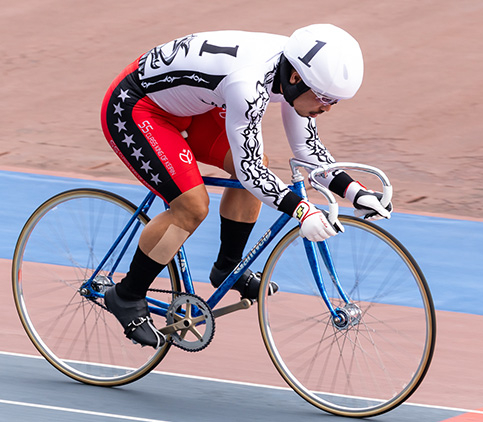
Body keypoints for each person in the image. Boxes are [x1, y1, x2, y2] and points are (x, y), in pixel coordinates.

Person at [100, 24, 392, 348]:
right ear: (296, 79)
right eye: (325, 98)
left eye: (335, 101)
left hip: (192, 106)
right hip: (139, 108)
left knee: (259, 164)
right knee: (192, 206)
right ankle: (127, 295)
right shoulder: (249, 83)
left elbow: (308, 151)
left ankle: (227, 268)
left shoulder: (295, 68)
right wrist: (302, 210)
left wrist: (356, 193)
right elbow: (248, 169)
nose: (327, 108)